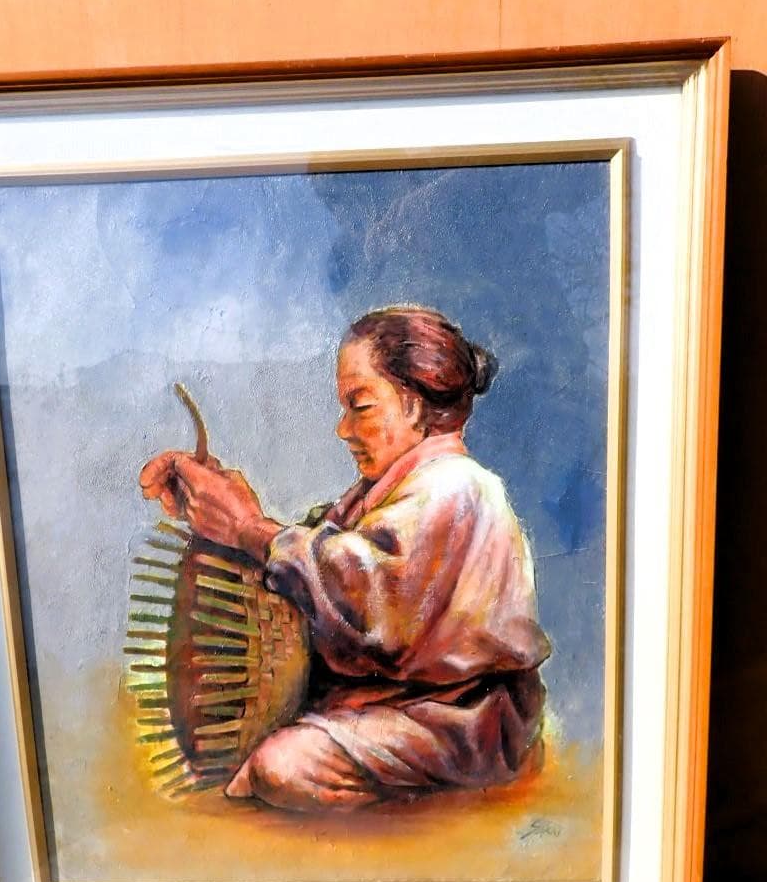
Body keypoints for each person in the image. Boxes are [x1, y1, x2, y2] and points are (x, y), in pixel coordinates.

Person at [140, 304, 551, 813]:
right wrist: (222, 507)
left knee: (280, 766)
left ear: (414, 406)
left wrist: (249, 528)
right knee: (275, 754)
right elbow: (319, 549)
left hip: (464, 719)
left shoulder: (457, 486)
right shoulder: (385, 490)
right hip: (400, 705)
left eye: (360, 406)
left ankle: (433, 807)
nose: (343, 429)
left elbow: (361, 591)